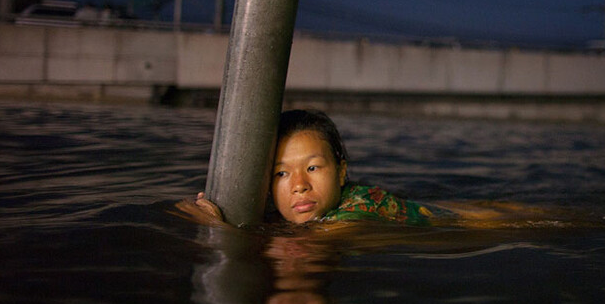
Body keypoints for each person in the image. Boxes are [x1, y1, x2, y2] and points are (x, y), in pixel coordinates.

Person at [181, 109, 440, 227]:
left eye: (313, 168)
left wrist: (215, 228)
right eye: (281, 173)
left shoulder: (355, 212)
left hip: (441, 219)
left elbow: (317, 243)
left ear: (341, 172)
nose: (299, 185)